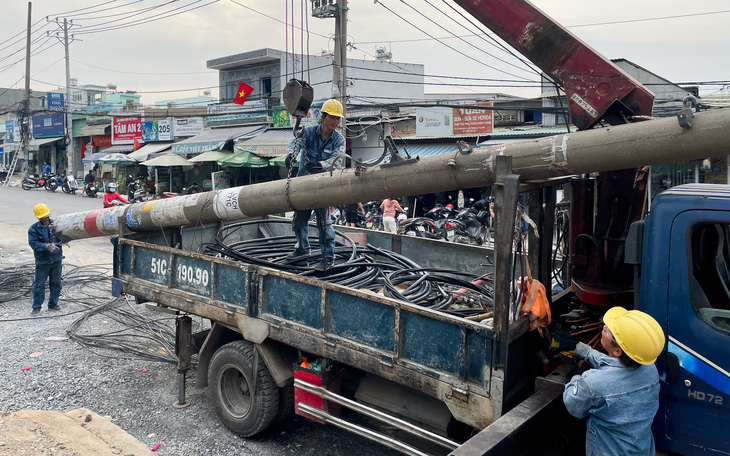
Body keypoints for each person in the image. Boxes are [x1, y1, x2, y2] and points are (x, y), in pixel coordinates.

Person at [563, 306, 666, 456]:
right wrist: (584, 351)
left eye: (608, 330)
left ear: (617, 351)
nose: (604, 327)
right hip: (641, 449)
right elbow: (616, 364)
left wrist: (575, 377)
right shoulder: (650, 369)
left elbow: (573, 405)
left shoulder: (593, 383)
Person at [284, 98, 346, 271]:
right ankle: (303, 250)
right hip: (304, 186)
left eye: (337, 118)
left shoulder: (339, 140)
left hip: (323, 189)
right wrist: (290, 156)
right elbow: (295, 144)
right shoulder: (309, 132)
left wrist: (321, 165)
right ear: (323, 117)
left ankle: (328, 258)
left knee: (324, 224)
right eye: (332, 117)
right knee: (299, 221)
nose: (336, 121)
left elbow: (337, 160)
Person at [28, 203, 63, 316]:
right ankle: (37, 307)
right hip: (42, 261)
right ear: (38, 217)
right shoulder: (33, 229)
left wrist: (65, 239)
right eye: (43, 217)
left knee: (56, 283)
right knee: (39, 284)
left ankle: (53, 304)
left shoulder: (55, 224)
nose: (46, 218)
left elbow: (63, 235)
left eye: (47, 216)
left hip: (56, 260)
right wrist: (46, 246)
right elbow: (33, 243)